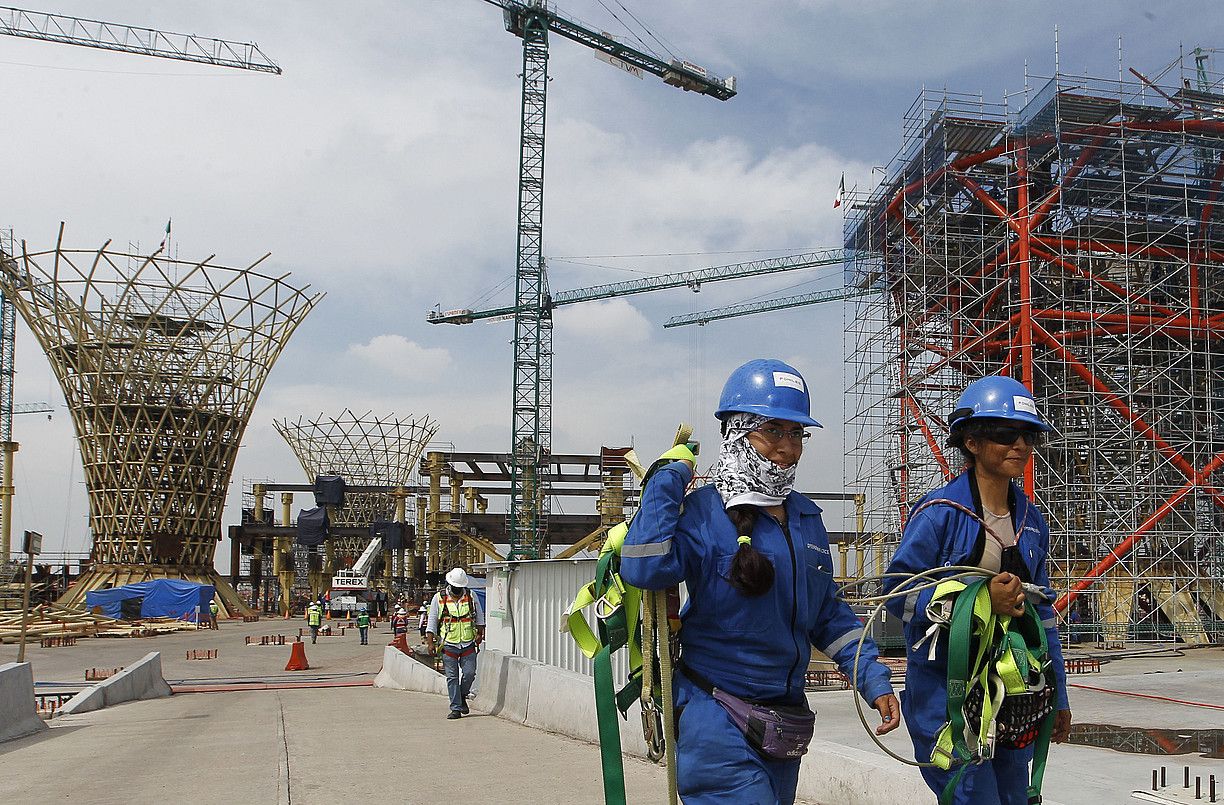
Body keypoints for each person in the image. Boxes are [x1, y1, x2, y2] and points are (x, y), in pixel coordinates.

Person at [619, 358, 900, 804]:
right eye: (773, 432)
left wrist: (872, 678)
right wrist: (664, 483)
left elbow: (828, 615)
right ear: (736, 431)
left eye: (796, 434)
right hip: (717, 719)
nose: (788, 447)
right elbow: (643, 568)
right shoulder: (705, 513)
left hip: (782, 724)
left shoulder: (806, 518)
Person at [883, 375, 1072, 805]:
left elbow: (1044, 617)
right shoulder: (939, 515)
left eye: (1028, 435)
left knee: (1013, 798)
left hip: (1011, 698)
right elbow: (897, 593)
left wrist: (1058, 696)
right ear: (971, 442)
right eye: (1006, 435)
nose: (1020, 446)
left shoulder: (1032, 522)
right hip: (944, 696)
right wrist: (981, 601)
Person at [426, 567, 485, 720]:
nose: (458, 590)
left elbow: (479, 617)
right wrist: (430, 643)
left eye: (460, 587)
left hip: (467, 642)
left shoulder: (471, 596)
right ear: (450, 584)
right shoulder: (439, 598)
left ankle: (462, 695)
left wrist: (480, 633)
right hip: (448, 643)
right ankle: (456, 708)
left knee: (469, 673)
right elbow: (432, 621)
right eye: (456, 587)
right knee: (452, 677)